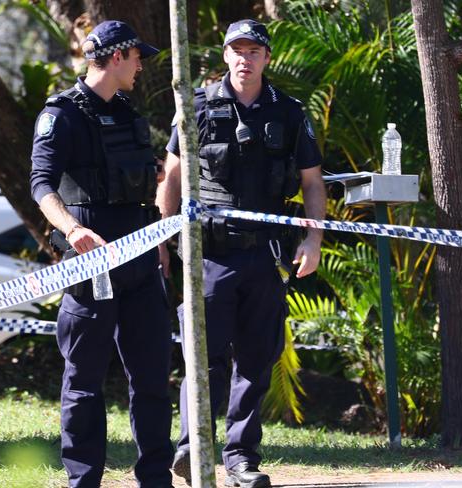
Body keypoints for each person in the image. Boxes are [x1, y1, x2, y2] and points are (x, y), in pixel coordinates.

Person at [156, 19, 326, 488]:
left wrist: (312, 240)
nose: (244, 59)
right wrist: (164, 244)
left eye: (253, 51)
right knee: (202, 358)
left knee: (255, 360)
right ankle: (193, 451)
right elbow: (170, 178)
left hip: (266, 257)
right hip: (207, 254)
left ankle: (241, 460)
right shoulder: (196, 106)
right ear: (225, 55)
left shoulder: (288, 112)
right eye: (237, 50)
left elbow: (313, 184)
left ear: (267, 57)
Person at [30, 20, 174, 488]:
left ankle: (156, 478)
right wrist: (72, 229)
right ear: (117, 57)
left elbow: (139, 183)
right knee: (85, 381)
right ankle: (83, 480)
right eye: (137, 58)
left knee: (152, 377)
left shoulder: (131, 113)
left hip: (140, 260)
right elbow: (41, 185)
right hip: (91, 264)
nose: (140, 67)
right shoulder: (62, 114)